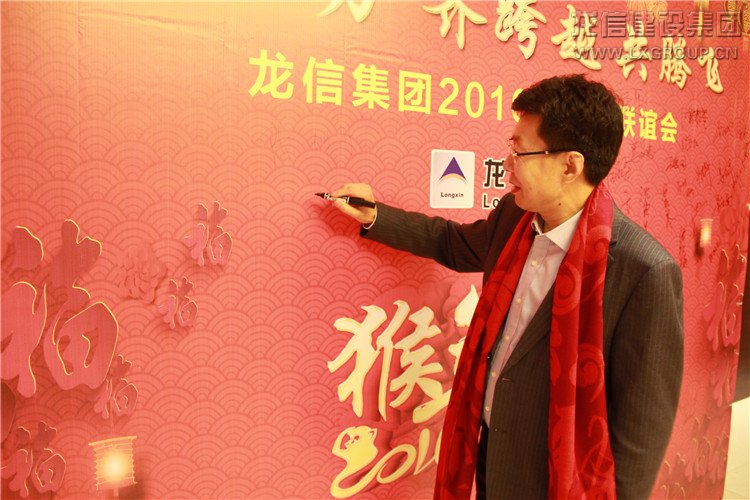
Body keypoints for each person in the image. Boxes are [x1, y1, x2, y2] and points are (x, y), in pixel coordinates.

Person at [328, 74, 683, 500]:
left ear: (570, 166)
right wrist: (375, 215)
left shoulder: (644, 272)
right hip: (493, 458)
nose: (507, 164)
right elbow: (453, 243)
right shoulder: (516, 220)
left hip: (559, 482)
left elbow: (640, 435)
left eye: (520, 151)